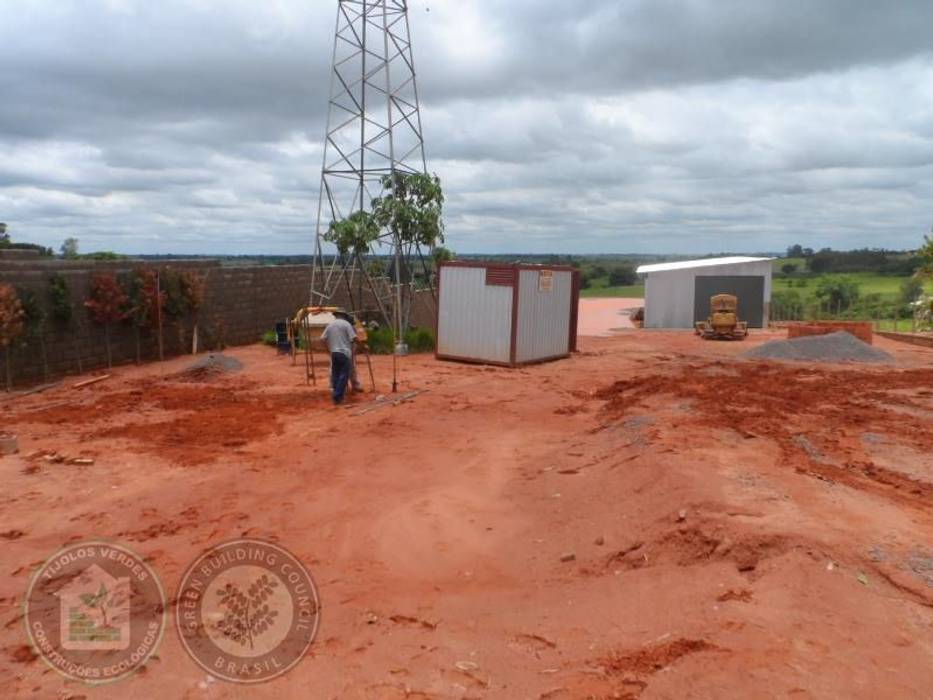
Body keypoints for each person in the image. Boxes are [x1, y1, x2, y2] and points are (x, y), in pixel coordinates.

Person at [320, 310, 357, 405]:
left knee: (335, 374)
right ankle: (337, 396)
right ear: (343, 316)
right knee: (344, 375)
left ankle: (336, 394)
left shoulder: (330, 325)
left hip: (334, 353)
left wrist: (328, 350)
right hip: (344, 353)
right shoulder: (346, 324)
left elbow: (322, 339)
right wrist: (362, 346)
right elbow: (354, 338)